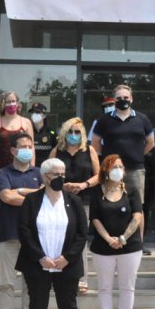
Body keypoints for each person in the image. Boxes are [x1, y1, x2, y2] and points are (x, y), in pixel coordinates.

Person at [16, 158, 87, 309]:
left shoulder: (73, 201)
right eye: (56, 174)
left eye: (63, 174)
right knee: (37, 307)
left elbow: (82, 233)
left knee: (69, 308)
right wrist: (40, 257)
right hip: (38, 265)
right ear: (44, 177)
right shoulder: (32, 200)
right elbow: (24, 232)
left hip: (66, 266)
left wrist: (67, 258)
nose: (61, 178)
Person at [91, 84, 155, 255]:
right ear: (114, 100)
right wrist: (106, 162)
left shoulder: (142, 119)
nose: (123, 101)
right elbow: (95, 144)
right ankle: (109, 240)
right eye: (119, 98)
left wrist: (137, 155)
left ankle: (138, 244)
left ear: (131, 99)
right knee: (108, 203)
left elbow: (151, 143)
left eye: (126, 98)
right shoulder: (104, 120)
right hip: (111, 171)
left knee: (137, 207)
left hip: (135, 170)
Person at [0, 131, 42, 309]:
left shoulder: (39, 172)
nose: (28, 150)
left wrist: (19, 191)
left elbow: (45, 197)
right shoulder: (2, 173)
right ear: (13, 150)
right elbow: (6, 197)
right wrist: (33, 195)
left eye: (30, 146)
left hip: (32, 237)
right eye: (23, 146)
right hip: (7, 234)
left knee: (30, 284)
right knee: (6, 284)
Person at [89, 154, 144, 309]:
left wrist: (123, 238)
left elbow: (137, 216)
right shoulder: (97, 192)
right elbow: (95, 218)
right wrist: (108, 239)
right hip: (102, 248)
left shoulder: (132, 190)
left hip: (130, 247)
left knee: (127, 287)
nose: (118, 170)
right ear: (105, 170)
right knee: (104, 287)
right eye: (114, 167)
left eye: (120, 166)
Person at [49, 117, 100, 296]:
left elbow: (99, 175)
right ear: (64, 132)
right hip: (58, 200)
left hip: (83, 201)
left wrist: (83, 185)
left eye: (77, 132)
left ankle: (82, 279)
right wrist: (62, 185)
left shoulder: (89, 150)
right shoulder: (57, 151)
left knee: (80, 240)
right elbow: (46, 173)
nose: (73, 135)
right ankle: (55, 275)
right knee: (58, 237)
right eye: (70, 131)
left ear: (83, 134)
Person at [0, 91, 35, 185]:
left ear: (18, 103)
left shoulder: (26, 122)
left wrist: (32, 167)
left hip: (21, 169)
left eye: (13, 101)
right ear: (3, 103)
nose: (11, 104)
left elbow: (31, 146)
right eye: (8, 101)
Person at [29, 102, 57, 167]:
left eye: (37, 112)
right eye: (33, 112)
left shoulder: (51, 134)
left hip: (47, 169)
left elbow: (56, 151)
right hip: (31, 168)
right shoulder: (28, 132)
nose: (34, 114)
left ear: (44, 115)